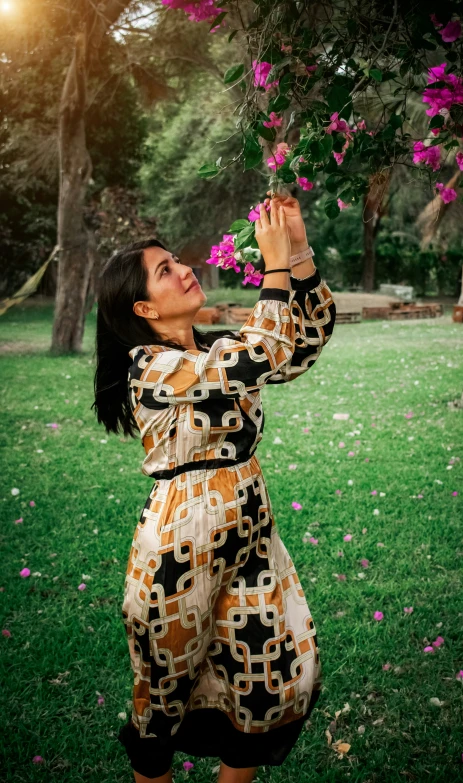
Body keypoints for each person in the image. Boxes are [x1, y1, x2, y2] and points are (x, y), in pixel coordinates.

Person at [92, 195, 336, 782]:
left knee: (268, 682)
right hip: (181, 549)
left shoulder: (220, 350)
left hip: (252, 538)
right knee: (165, 701)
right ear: (145, 305)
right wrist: (274, 268)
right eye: (165, 270)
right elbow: (264, 351)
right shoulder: (148, 367)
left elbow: (303, 341)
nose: (183, 269)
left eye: (177, 259)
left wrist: (297, 253)